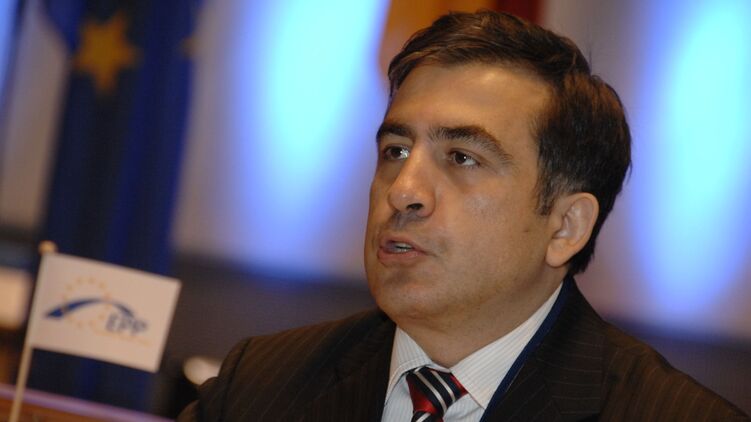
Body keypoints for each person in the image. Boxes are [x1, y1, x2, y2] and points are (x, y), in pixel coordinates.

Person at [178, 10, 749, 421]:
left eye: (462, 158)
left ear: (565, 227)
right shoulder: (259, 386)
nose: (404, 191)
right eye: (395, 150)